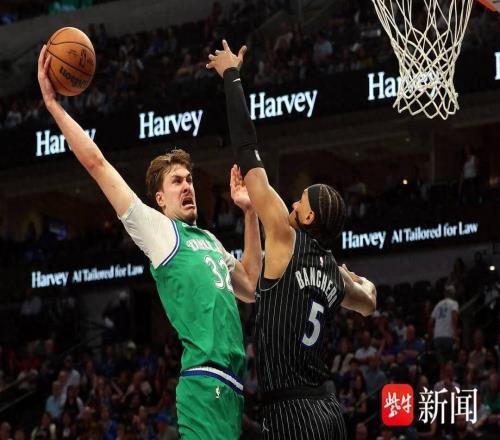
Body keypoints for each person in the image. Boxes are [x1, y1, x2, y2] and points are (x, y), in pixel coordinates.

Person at [37, 45, 262, 440]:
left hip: (232, 386)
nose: (187, 186)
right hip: (205, 382)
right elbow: (97, 164)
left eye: (189, 180)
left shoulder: (209, 240)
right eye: (176, 182)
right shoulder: (160, 232)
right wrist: (54, 106)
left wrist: (249, 212)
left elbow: (250, 285)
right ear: (160, 199)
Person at [207, 40, 377, 440]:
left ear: (308, 217)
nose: (293, 204)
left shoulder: (286, 236)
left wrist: (231, 76)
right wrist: (356, 278)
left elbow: (247, 149)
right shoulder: (333, 274)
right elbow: (370, 302)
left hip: (291, 412)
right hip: (329, 411)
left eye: (300, 201)